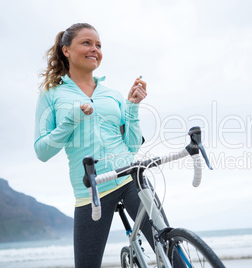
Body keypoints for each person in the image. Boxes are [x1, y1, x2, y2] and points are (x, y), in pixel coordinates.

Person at [34, 23, 151, 267]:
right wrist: (71, 119)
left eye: (98, 45)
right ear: (66, 50)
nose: (94, 49)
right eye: (86, 43)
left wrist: (132, 106)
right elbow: (42, 151)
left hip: (129, 176)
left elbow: (131, 146)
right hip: (92, 188)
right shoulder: (51, 94)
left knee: (168, 243)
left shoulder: (112, 94)